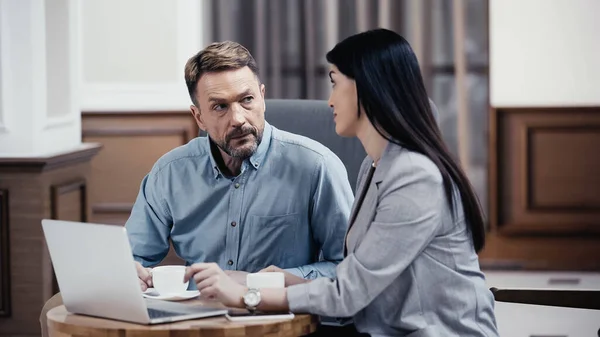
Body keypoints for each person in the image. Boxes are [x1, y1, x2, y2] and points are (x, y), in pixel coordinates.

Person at [184, 29, 500, 337]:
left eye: (335, 84)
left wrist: (245, 297)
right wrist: (282, 281)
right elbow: (356, 283)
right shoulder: (375, 166)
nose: (330, 100)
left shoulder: (416, 178)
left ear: (368, 88)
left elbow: (349, 294)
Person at [125, 41, 354, 290]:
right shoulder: (169, 173)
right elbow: (133, 259)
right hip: (197, 318)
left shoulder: (317, 167)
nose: (238, 119)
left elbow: (348, 269)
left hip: (281, 320)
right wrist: (132, 274)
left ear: (262, 98)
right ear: (199, 117)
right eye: (220, 107)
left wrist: (262, 281)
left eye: (246, 100)